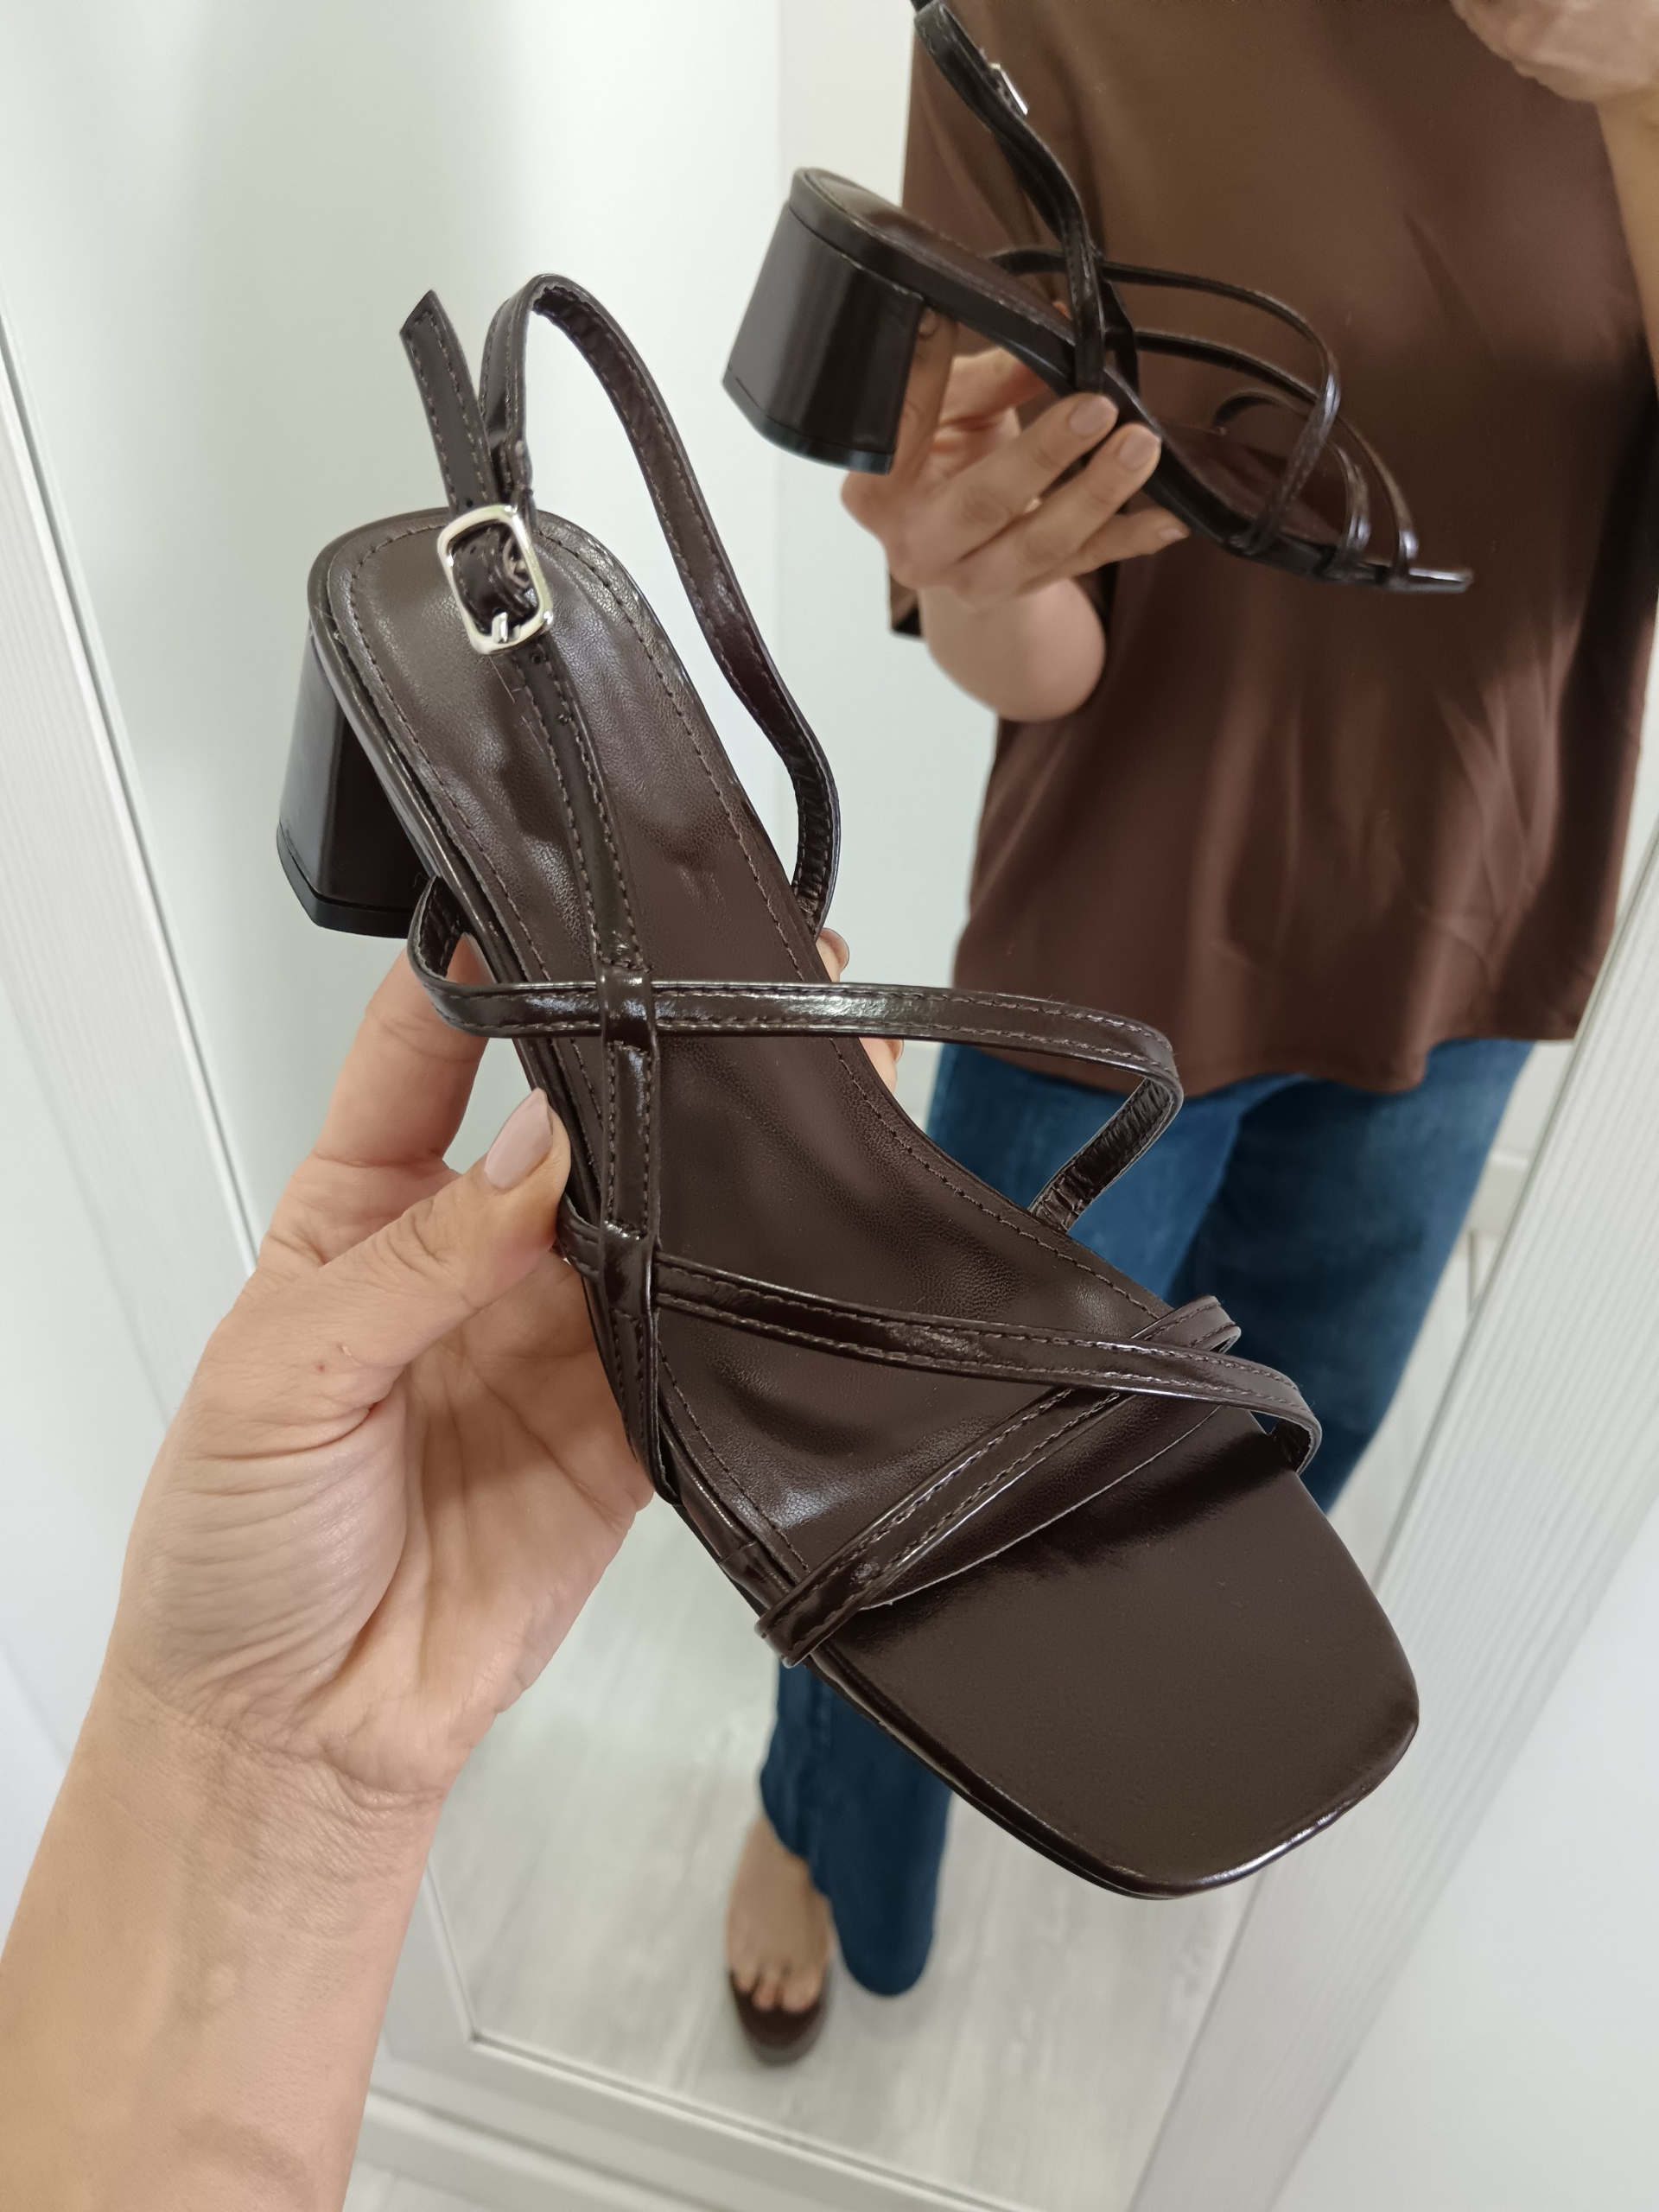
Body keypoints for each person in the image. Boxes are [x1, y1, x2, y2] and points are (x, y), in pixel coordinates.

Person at [727, 0, 1659, 2037]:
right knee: (935, 1501)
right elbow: (1034, 649)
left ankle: (1117, 1757)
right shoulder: (1034, 19)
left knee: (1269, 1471)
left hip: (1460, 933)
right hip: (1113, 926)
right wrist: (976, 565)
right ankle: (819, 1811)